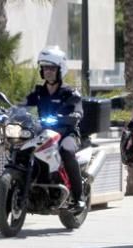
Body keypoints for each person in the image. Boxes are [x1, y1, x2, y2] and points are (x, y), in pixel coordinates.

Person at [25, 46, 85, 211]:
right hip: (44, 134)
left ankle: (79, 198)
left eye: (51, 68)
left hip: (67, 134)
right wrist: (9, 111)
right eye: (45, 68)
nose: (48, 71)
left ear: (60, 69)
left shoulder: (70, 93)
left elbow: (78, 110)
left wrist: (74, 116)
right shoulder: (38, 92)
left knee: (66, 150)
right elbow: (22, 105)